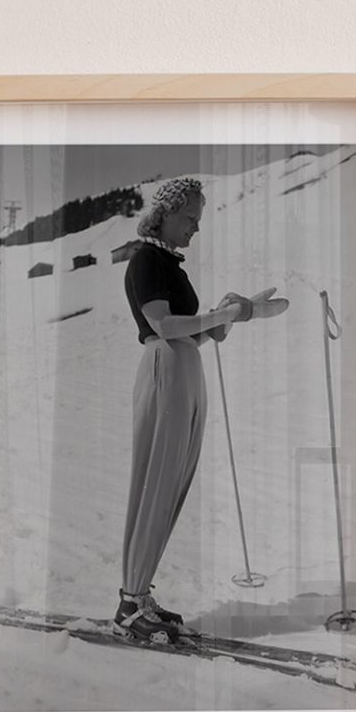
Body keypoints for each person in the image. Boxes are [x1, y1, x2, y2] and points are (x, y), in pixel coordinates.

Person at [114, 176, 257, 644]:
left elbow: (189, 331)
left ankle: (139, 594)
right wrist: (218, 317)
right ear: (167, 214)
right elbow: (162, 324)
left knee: (172, 485)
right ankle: (130, 604)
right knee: (156, 483)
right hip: (166, 369)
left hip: (185, 368)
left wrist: (222, 320)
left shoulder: (170, 263)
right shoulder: (147, 260)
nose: (196, 226)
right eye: (191, 217)